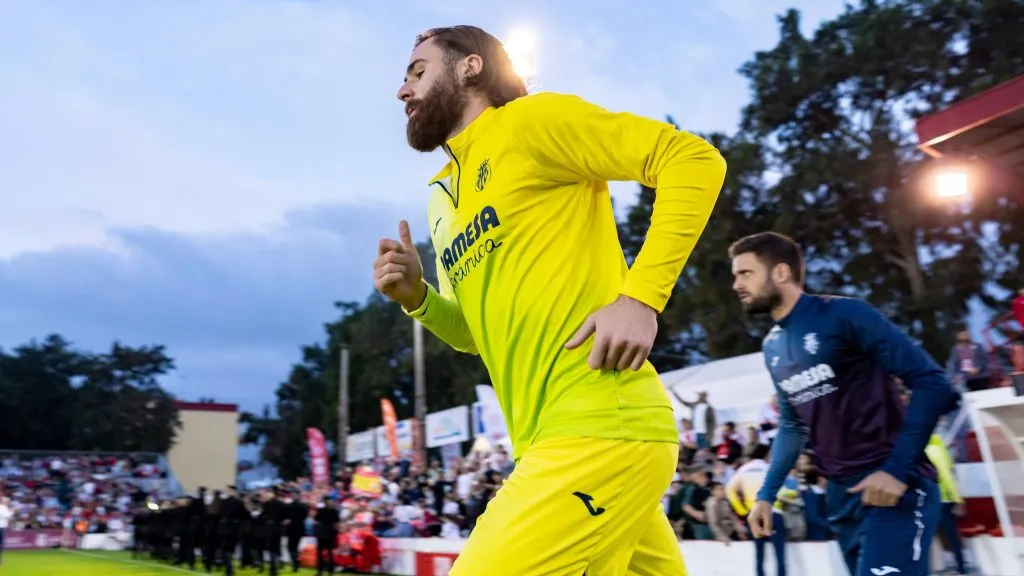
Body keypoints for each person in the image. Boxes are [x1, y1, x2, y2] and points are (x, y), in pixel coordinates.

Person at [373, 24, 726, 576]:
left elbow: (691, 160)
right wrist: (418, 298)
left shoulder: (531, 122)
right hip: (556, 445)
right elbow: (476, 333)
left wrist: (641, 299)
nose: (402, 91)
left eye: (418, 71)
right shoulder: (442, 203)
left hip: (598, 433)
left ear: (470, 67)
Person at [729, 232, 956, 576]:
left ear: (780, 273)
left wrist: (896, 471)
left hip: (894, 488)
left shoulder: (844, 314)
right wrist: (766, 494)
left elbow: (932, 383)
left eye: (745, 274)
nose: (736, 284)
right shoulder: (772, 346)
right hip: (841, 498)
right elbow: (792, 425)